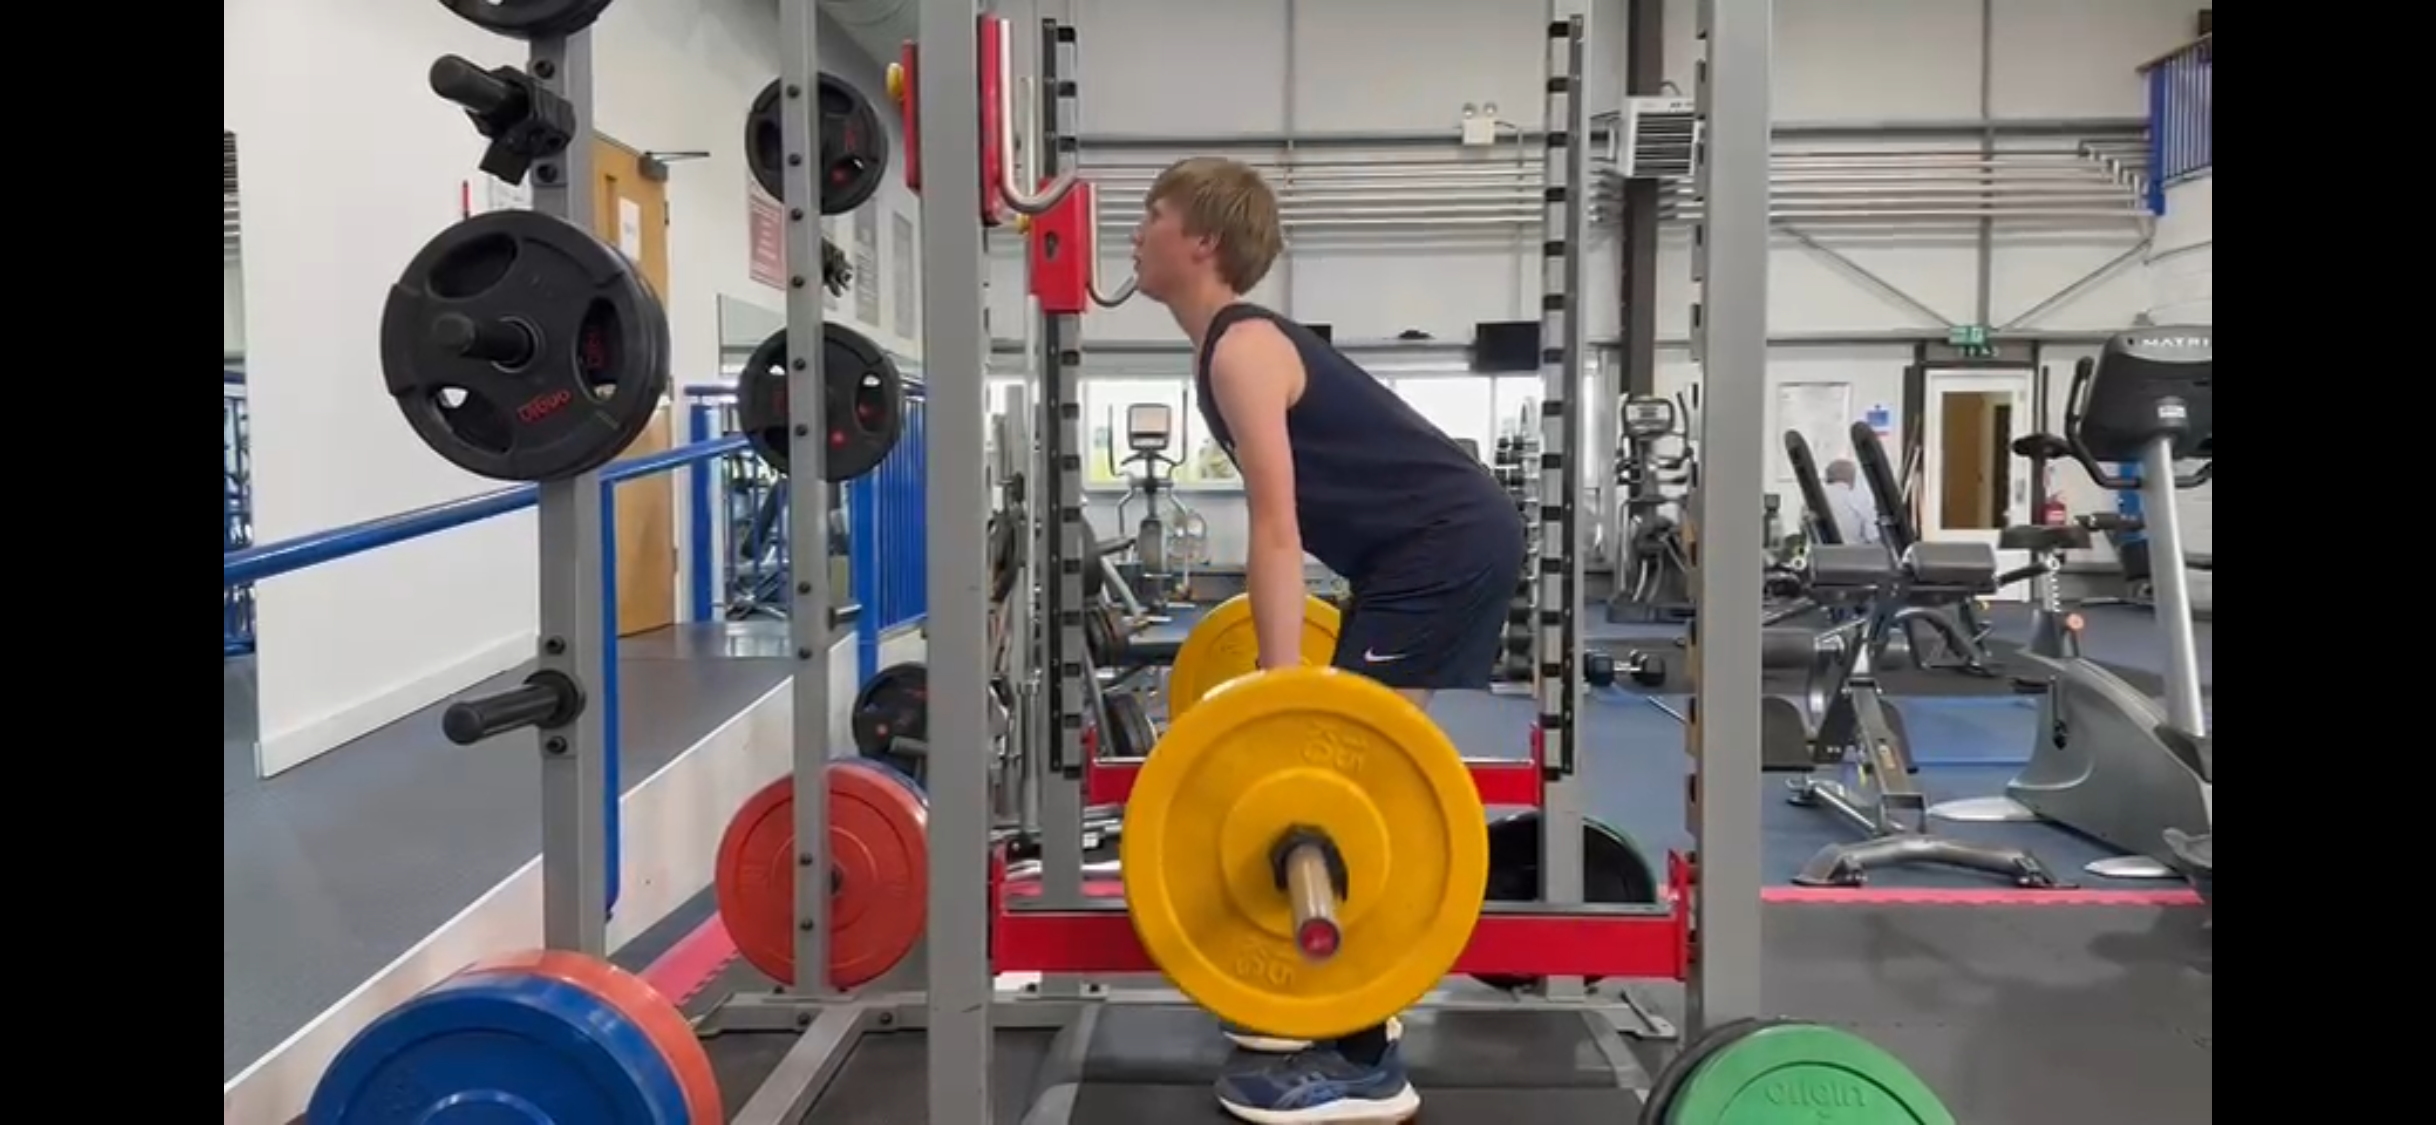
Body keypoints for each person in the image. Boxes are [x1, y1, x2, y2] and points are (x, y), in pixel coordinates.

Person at [1129, 155, 1525, 1125]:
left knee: (1344, 788)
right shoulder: (1223, 348)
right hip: (1414, 556)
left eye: (1152, 213)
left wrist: (1278, 698)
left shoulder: (1241, 348)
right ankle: (1358, 1023)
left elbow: (1275, 527)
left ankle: (1360, 1059)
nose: (1134, 233)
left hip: (1443, 545)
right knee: (1356, 779)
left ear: (1203, 242)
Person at [1823, 458, 1882, 546]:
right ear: (1850, 478)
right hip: (1853, 555)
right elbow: (1873, 535)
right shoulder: (1858, 499)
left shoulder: (1813, 499)